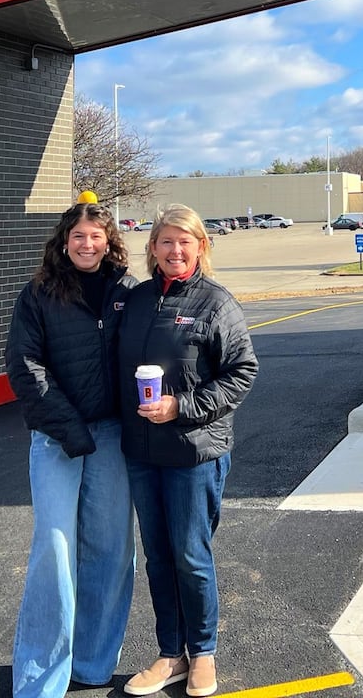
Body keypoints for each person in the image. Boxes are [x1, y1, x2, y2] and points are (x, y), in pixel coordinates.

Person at [119, 205, 259, 698]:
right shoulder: (135, 302)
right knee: (157, 554)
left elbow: (242, 371)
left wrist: (183, 406)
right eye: (166, 242)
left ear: (201, 247)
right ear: (152, 248)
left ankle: (202, 652)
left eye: (186, 242)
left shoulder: (215, 302)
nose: (175, 251)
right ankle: (169, 653)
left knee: (189, 554)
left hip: (195, 451)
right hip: (141, 451)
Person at [5, 201, 137, 698]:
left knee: (110, 551)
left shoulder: (128, 291)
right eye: (78, 236)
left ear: (109, 241)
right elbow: (25, 365)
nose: (87, 244)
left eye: (96, 236)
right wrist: (69, 428)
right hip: (58, 437)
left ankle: (93, 664)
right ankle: (40, 680)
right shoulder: (39, 294)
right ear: (65, 240)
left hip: (113, 438)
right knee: (55, 552)